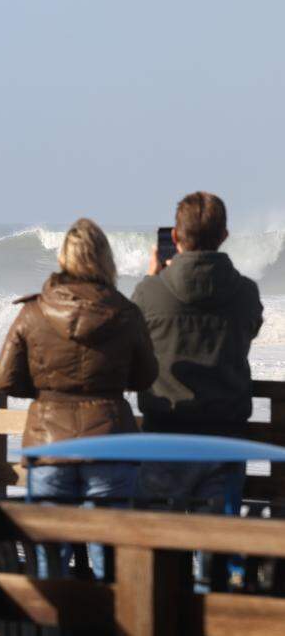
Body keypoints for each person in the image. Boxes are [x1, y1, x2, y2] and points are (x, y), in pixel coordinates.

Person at [0, 218, 158, 579]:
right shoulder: (126, 314)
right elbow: (146, 377)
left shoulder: (34, 312)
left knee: (49, 560)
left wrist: (45, 391)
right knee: (111, 561)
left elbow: (4, 378)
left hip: (49, 445)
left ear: (64, 257)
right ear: (105, 259)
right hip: (110, 443)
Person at [132, 192, 262, 587]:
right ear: (223, 235)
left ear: (175, 234)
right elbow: (250, 329)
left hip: (163, 436)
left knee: (156, 558)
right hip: (225, 440)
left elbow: (135, 337)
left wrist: (155, 277)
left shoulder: (150, 291)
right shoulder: (246, 292)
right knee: (216, 559)